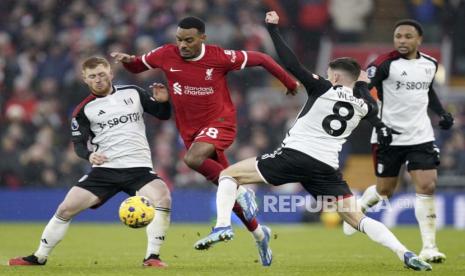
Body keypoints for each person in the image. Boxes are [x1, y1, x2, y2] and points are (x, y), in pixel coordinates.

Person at [194, 11, 433, 271]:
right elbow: (369, 100)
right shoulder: (366, 105)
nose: (328, 77)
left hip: (295, 155)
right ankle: (404, 252)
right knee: (357, 218)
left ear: (337, 78)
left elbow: (291, 63)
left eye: (331, 74)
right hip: (326, 168)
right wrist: (362, 84)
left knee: (229, 175)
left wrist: (273, 30)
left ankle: (222, 226)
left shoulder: (324, 88)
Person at [110, 16, 299, 266]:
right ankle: (259, 233)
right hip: (191, 133)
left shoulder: (218, 57)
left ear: (202, 38)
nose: (183, 45)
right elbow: (138, 66)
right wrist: (129, 61)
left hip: (220, 123)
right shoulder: (166, 54)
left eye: (189, 40)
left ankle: (243, 193)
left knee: (192, 159)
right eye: (179, 40)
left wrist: (289, 82)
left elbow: (262, 59)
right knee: (225, 186)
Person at [9, 57, 172, 268]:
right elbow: (78, 145)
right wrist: (89, 155)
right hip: (105, 169)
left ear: (111, 74)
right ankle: (39, 256)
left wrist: (163, 102)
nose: (98, 79)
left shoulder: (133, 92)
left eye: (102, 74)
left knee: (164, 198)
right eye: (93, 76)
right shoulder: (83, 110)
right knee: (66, 208)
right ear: (85, 79)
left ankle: (152, 257)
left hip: (138, 168)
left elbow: (163, 115)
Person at [343, 19, 453, 264]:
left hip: (420, 135)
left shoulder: (430, 64)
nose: (402, 41)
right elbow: (361, 88)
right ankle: (358, 208)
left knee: (427, 186)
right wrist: (377, 123)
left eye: (407, 36)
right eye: (398, 37)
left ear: (419, 39)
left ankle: (429, 247)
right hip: (388, 136)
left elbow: (428, 91)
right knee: (385, 191)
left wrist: (441, 113)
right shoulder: (384, 64)